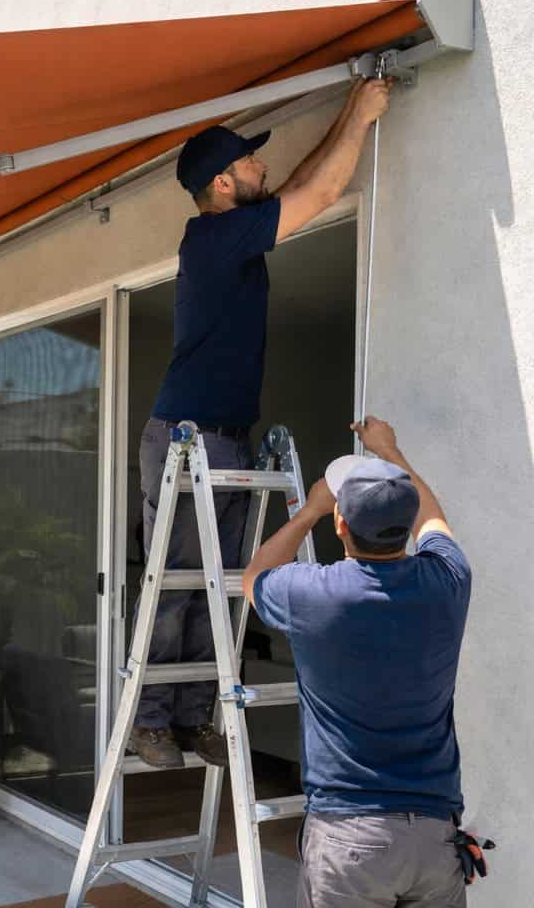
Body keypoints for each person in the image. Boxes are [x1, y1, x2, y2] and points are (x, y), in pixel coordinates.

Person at [130, 77, 393, 769]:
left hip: (222, 436)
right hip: (188, 437)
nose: (263, 167)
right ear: (222, 183)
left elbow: (300, 186)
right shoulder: (212, 238)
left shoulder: (233, 232)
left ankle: (190, 720)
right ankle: (152, 721)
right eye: (250, 163)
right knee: (185, 578)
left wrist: (348, 110)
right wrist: (363, 117)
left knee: (214, 580)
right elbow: (322, 195)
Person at [243, 416, 471, 907]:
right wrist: (392, 453)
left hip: (350, 835)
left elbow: (254, 577)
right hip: (435, 839)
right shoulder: (448, 583)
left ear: (341, 524)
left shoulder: (313, 594)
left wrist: (308, 511)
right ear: (405, 529)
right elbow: (433, 523)